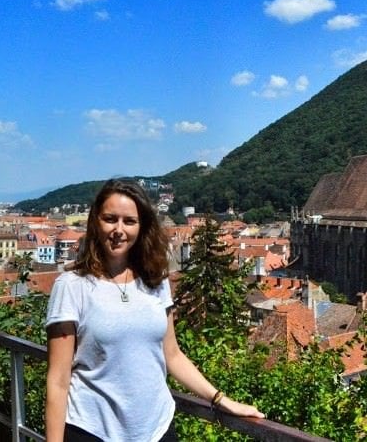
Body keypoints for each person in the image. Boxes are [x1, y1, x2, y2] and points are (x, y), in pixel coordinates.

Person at [45, 179, 264, 441]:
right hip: (94, 429)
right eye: (110, 219)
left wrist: (220, 399)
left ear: (142, 227)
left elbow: (172, 355)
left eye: (129, 221)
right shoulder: (72, 286)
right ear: (95, 222)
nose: (118, 229)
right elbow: (58, 381)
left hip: (156, 430)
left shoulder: (155, 280)